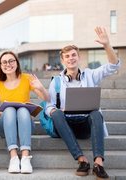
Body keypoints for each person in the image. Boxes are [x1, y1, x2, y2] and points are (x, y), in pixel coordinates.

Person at [45, 27, 120, 179]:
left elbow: (113, 66)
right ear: (63, 60)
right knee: (57, 113)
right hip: (65, 125)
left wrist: (106, 45)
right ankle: (82, 160)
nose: (71, 58)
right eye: (67, 56)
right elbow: (49, 106)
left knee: (96, 113)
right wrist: (54, 111)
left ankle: (98, 163)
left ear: (79, 57)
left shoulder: (90, 75)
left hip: (85, 124)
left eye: (73, 55)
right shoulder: (57, 81)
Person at [0, 51, 49, 174]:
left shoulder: (27, 78)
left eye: (11, 61)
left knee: (23, 109)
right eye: (4, 62)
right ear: (1, 66)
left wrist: (40, 87)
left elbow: (46, 99)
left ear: (17, 63)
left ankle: (25, 157)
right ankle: (13, 157)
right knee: (10, 110)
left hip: (25, 124)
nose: (8, 64)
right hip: (4, 125)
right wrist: (9, 115)